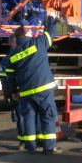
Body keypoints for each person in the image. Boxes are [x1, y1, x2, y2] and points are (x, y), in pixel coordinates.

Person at [5, 15, 62, 155]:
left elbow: (10, 78)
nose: (32, 32)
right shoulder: (38, 43)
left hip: (25, 93)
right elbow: (51, 34)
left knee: (29, 119)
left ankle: (31, 147)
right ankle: (48, 147)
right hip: (44, 90)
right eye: (29, 31)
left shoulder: (12, 56)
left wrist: (13, 92)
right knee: (48, 116)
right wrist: (51, 20)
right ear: (25, 35)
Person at [0, 34, 26, 150]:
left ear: (10, 43)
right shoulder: (29, 54)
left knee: (21, 117)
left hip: (17, 93)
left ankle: (23, 142)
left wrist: (7, 95)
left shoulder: (7, 59)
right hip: (29, 91)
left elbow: (4, 79)